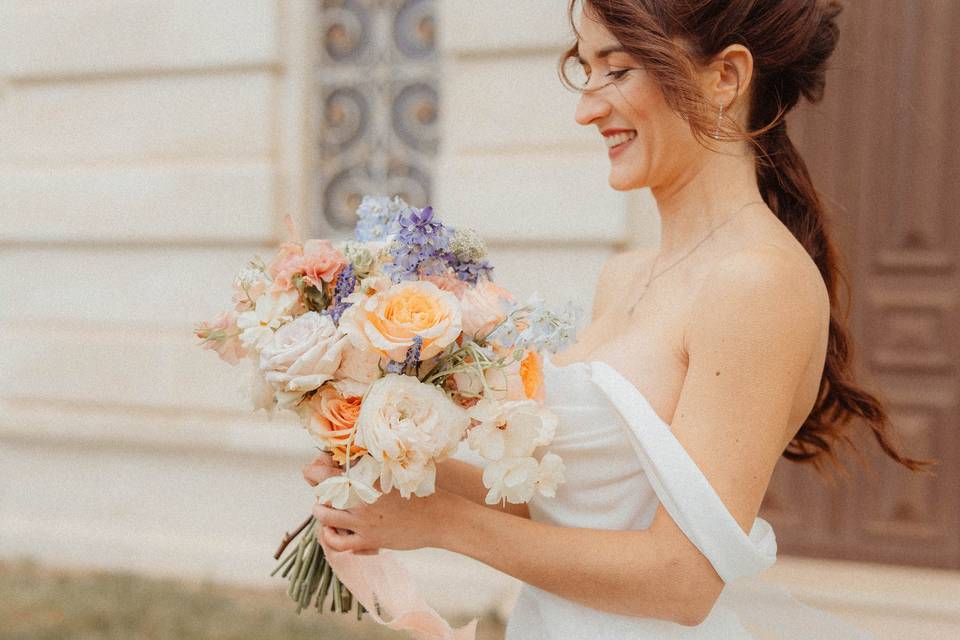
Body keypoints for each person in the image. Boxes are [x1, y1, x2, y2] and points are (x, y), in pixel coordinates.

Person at [304, 0, 930, 636]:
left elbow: (683, 579)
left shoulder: (758, 282)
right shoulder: (624, 274)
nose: (587, 108)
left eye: (620, 70)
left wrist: (441, 523)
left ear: (726, 77)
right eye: (587, 70)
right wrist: (397, 472)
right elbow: (573, 510)